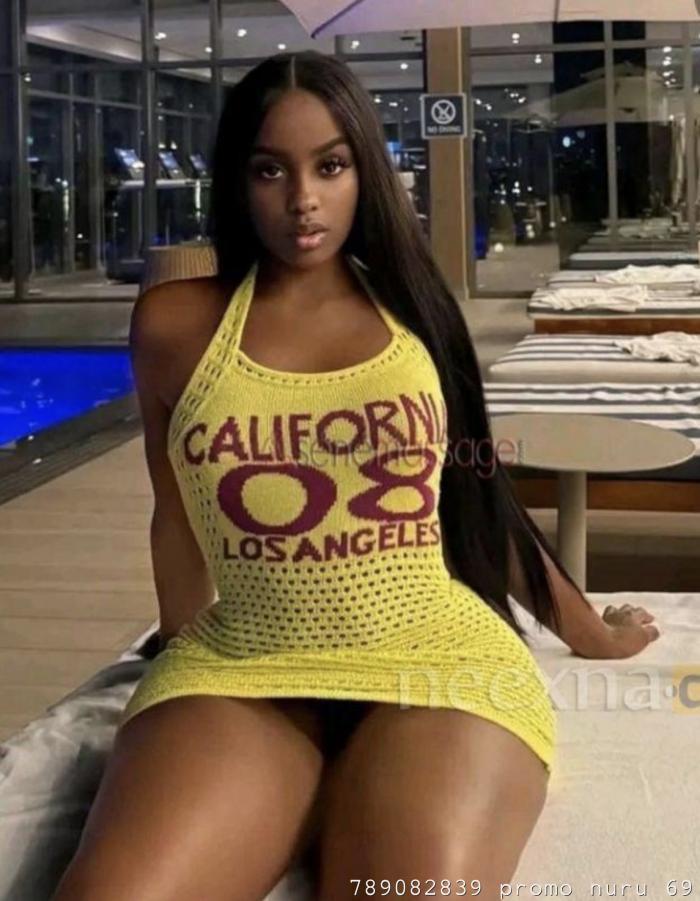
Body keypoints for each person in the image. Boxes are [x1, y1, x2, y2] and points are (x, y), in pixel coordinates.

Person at [53, 50, 660, 901]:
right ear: (238, 179)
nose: (303, 198)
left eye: (330, 166)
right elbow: (176, 514)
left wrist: (591, 631)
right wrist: (174, 666)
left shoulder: (414, 311)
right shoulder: (176, 324)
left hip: (436, 661)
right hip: (247, 663)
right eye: (271, 169)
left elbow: (475, 499)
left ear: (364, 171)